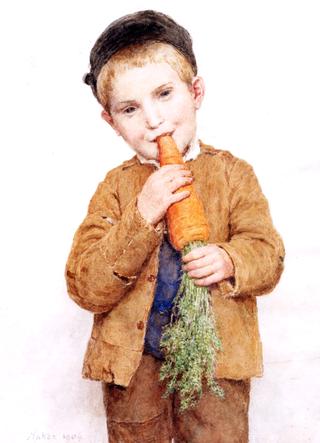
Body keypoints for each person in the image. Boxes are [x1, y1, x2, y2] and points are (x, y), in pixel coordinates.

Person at [65, 10, 285, 443]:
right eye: (130, 108)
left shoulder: (232, 174)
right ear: (111, 121)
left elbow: (269, 253)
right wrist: (141, 215)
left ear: (196, 90)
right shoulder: (116, 187)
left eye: (164, 94)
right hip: (134, 364)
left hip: (214, 363)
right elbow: (85, 285)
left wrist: (230, 259)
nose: (153, 120)